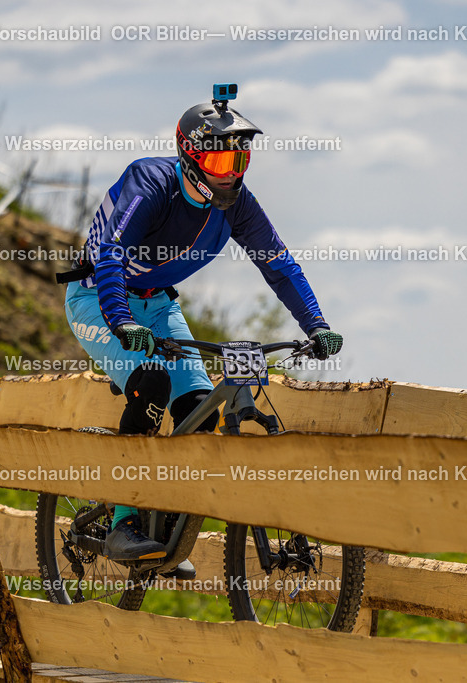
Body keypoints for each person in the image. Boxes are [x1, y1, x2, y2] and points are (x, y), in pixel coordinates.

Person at [60, 84, 343, 569]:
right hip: (96, 300)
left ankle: (166, 529)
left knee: (198, 407)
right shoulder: (149, 182)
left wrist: (315, 324)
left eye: (239, 164)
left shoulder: (238, 205)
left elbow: (278, 264)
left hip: (159, 306)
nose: (230, 177)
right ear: (190, 158)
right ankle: (124, 521)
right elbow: (109, 255)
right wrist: (122, 320)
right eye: (219, 164)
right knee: (150, 384)